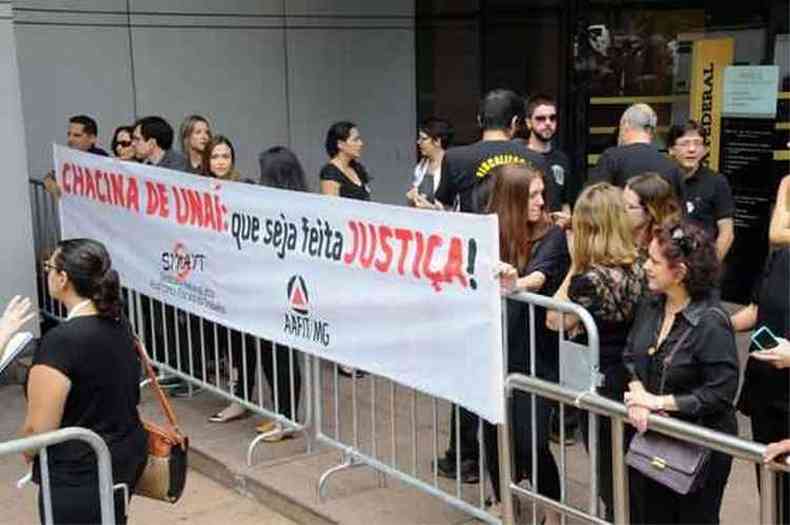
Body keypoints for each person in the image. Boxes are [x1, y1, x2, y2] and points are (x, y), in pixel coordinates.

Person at [21, 239, 147, 525]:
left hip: (78, 473)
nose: (47, 273)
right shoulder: (118, 323)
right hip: (121, 461)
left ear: (63, 278)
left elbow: (39, 429)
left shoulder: (61, 342)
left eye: (49, 267)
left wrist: (27, 451)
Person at [623, 221, 738, 525]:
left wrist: (657, 403)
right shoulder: (651, 304)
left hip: (699, 449)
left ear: (681, 273)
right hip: (654, 439)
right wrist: (637, 392)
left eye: (654, 262)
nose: (646, 266)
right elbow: (630, 355)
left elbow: (721, 393)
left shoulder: (712, 323)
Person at [546, 182, 645, 519]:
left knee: (609, 471)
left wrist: (575, 265)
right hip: (637, 380)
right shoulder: (641, 266)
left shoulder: (588, 280)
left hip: (602, 383)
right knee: (635, 469)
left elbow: (553, 319)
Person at [486, 163, 570, 524]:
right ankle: (503, 498)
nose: (541, 201)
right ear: (511, 199)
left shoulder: (551, 235)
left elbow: (542, 274)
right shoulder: (489, 232)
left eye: (541, 193)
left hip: (537, 353)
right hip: (494, 348)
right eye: (532, 195)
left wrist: (517, 281)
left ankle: (552, 511)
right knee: (492, 431)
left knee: (532, 439)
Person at [209, 146, 306, 443]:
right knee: (268, 355)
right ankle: (281, 414)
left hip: (282, 294)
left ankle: (287, 418)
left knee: (280, 357)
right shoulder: (265, 202)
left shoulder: (294, 206)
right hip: (265, 291)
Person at [731, 244, 790, 523]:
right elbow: (756, 309)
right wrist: (715, 322)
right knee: (771, 497)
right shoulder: (780, 257)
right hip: (767, 398)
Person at [434, 88, 553, 214]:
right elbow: (548, 210)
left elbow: (443, 206)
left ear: (479, 120)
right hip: (521, 233)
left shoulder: (455, 158)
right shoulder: (536, 159)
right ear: (514, 122)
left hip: (474, 233)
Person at [587, 103, 684, 201]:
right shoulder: (671, 166)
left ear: (625, 125)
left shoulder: (611, 158)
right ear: (652, 131)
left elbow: (594, 200)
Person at [668, 120, 735, 261]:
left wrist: (710, 267)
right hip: (668, 264)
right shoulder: (663, 181)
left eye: (697, 143)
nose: (692, 149)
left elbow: (727, 233)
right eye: (685, 143)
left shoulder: (717, 182)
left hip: (702, 264)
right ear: (671, 149)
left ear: (705, 150)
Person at [523, 93, 575, 213]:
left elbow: (565, 202)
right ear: (528, 123)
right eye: (540, 118)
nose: (548, 123)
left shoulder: (562, 159)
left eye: (552, 118)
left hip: (554, 227)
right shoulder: (519, 156)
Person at [624, 173, 682, 253]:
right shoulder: (618, 236)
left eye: (630, 207)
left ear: (650, 213)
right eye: (621, 203)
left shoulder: (670, 245)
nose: (621, 210)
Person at [406, 116, 453, 209]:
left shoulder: (452, 167)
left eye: (424, 139)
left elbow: (455, 207)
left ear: (437, 141)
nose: (418, 142)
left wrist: (432, 208)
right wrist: (412, 198)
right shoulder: (421, 166)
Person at [319, 121, 371, 201]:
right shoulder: (330, 172)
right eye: (355, 140)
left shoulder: (357, 169)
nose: (361, 143)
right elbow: (331, 207)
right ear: (340, 144)